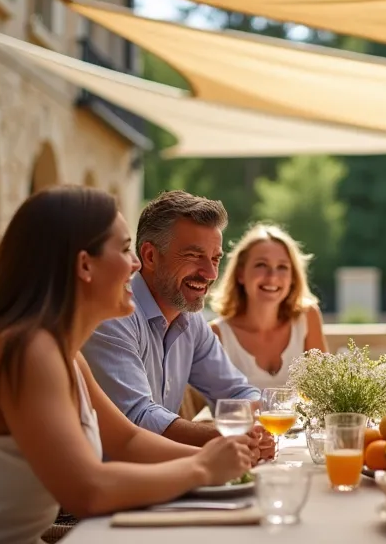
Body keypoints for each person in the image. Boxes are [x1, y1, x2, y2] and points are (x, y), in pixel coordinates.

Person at [0, 187, 257, 544]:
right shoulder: (26, 351)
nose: (136, 265)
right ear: (85, 265)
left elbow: (127, 440)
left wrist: (227, 460)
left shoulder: (61, 351)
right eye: (125, 250)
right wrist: (203, 468)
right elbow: (88, 492)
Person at [81, 190, 274, 460]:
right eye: (194, 256)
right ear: (150, 256)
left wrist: (253, 430)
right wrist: (226, 437)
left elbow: (236, 390)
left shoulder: (191, 319)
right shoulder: (112, 316)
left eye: (215, 258)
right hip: (122, 479)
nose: (210, 273)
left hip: (162, 473)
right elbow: (139, 417)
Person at [209, 222, 328, 391]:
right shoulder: (217, 335)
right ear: (240, 274)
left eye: (282, 267)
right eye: (261, 265)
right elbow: (215, 402)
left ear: (293, 277)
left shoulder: (308, 318)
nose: (272, 277)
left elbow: (325, 390)